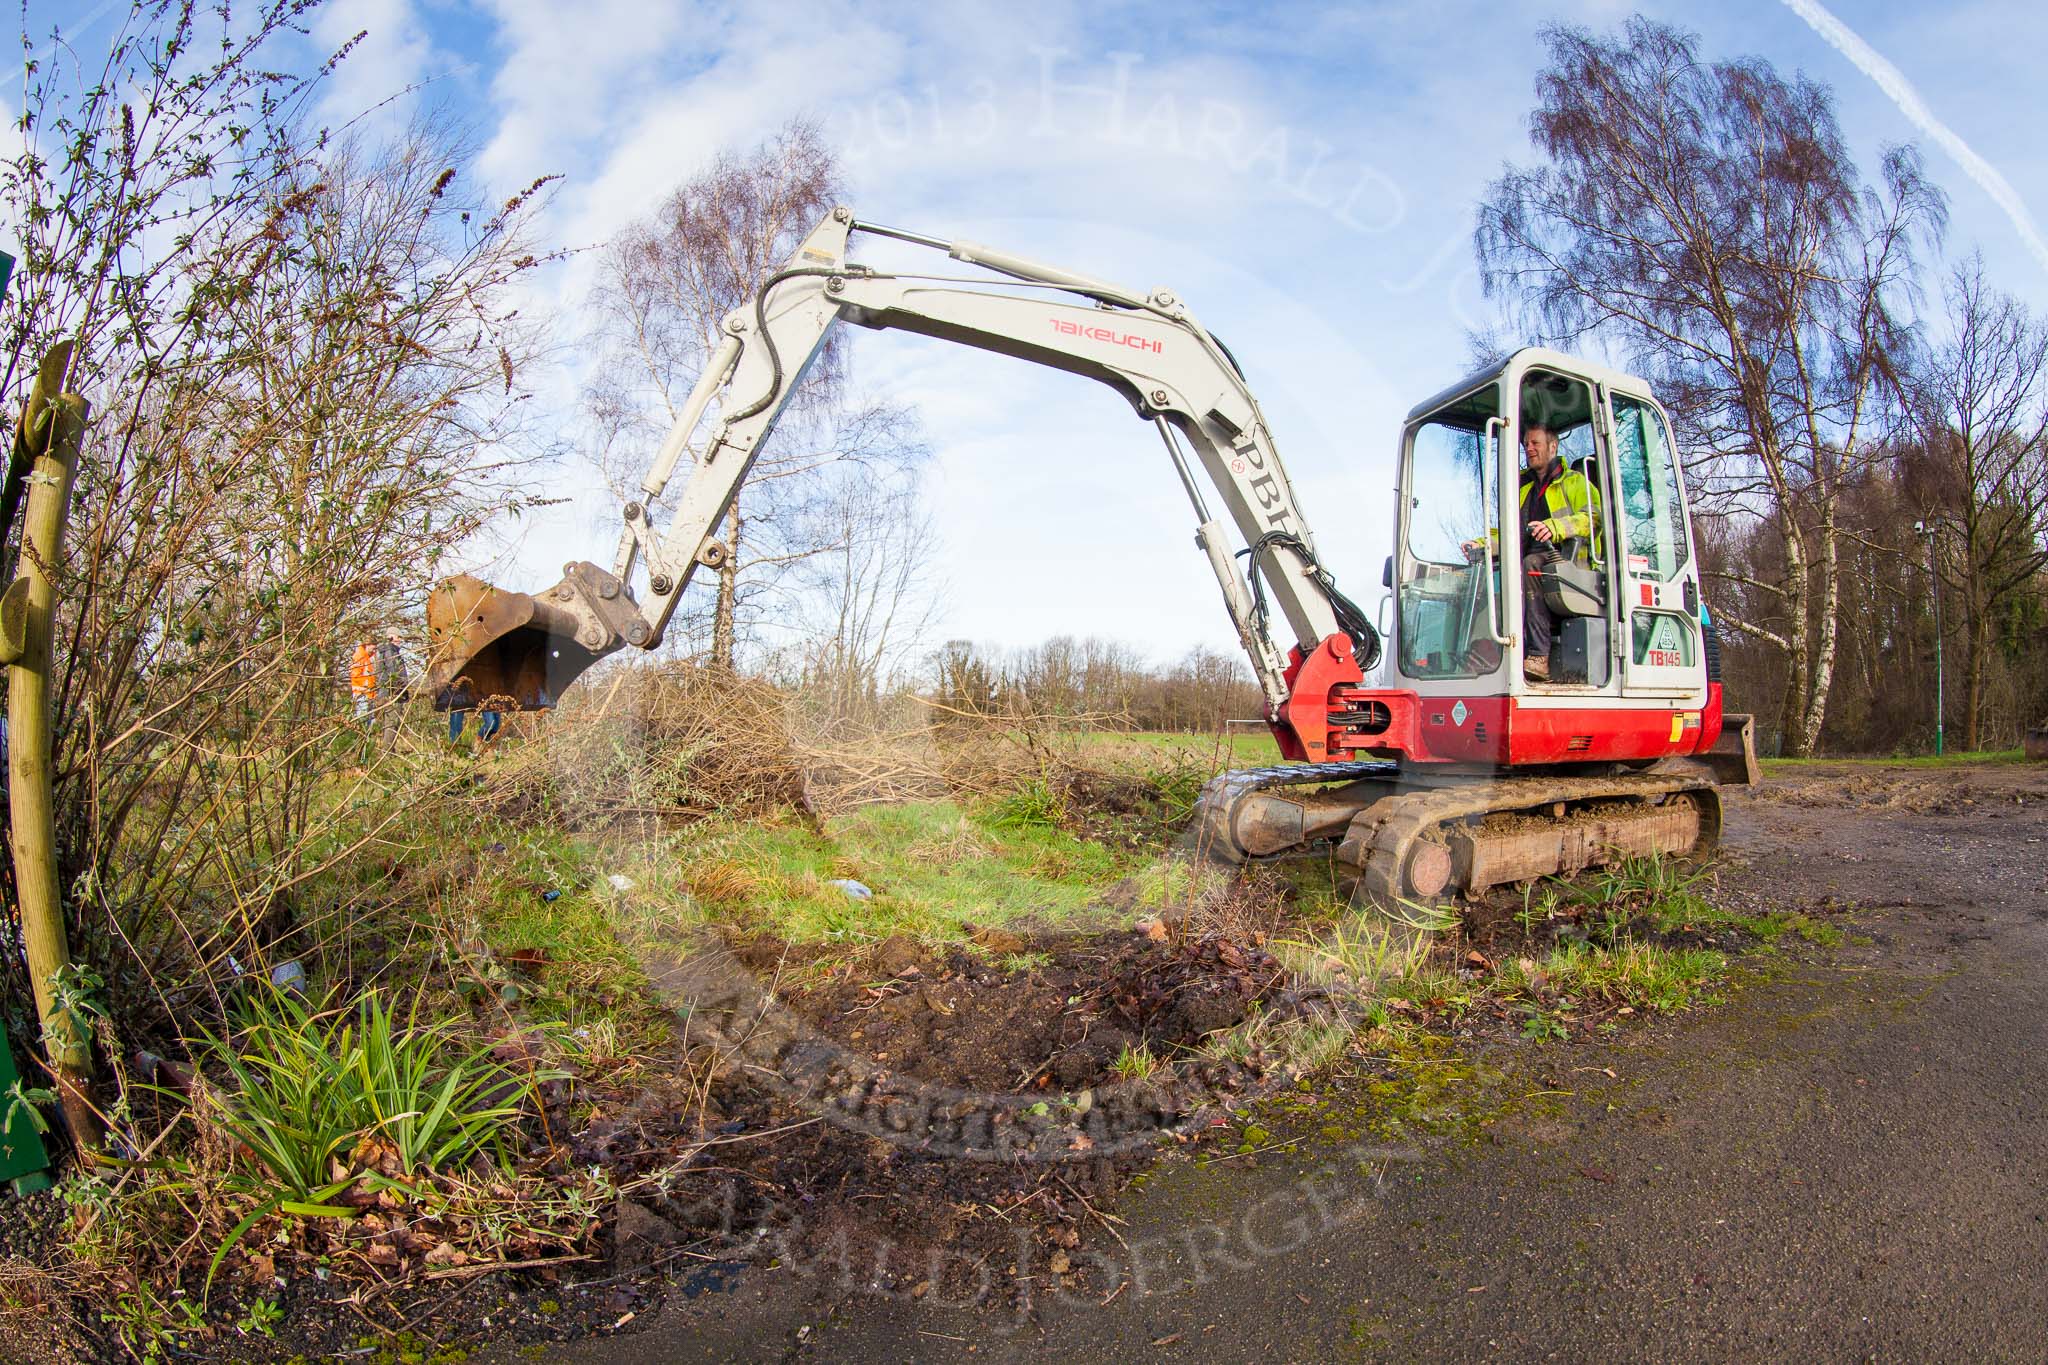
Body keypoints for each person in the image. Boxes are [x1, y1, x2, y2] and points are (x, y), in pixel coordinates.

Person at [1463, 422, 1600, 682]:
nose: (1529, 448)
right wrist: (1482, 544)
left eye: (1535, 443)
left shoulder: (1574, 483)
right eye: (1526, 444)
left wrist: (1555, 527)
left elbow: (1593, 518)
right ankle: (1484, 651)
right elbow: (1508, 532)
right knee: (1490, 575)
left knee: (1530, 564)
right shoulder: (1524, 488)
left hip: (1570, 564)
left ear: (1552, 446)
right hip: (1532, 562)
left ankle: (1539, 655)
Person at [374, 629, 409, 743]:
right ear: (391, 637)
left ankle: (389, 750)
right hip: (392, 693)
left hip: (386, 692)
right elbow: (394, 674)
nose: (400, 640)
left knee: (389, 724)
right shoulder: (390, 651)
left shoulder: (384, 651)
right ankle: (387, 752)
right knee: (392, 724)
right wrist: (403, 687)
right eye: (398, 637)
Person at [348, 639, 378, 727]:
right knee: (363, 722)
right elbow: (355, 675)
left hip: (368, 694)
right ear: (368, 644)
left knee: (369, 722)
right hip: (362, 694)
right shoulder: (359, 656)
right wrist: (366, 687)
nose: (374, 650)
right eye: (374, 647)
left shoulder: (366, 658)